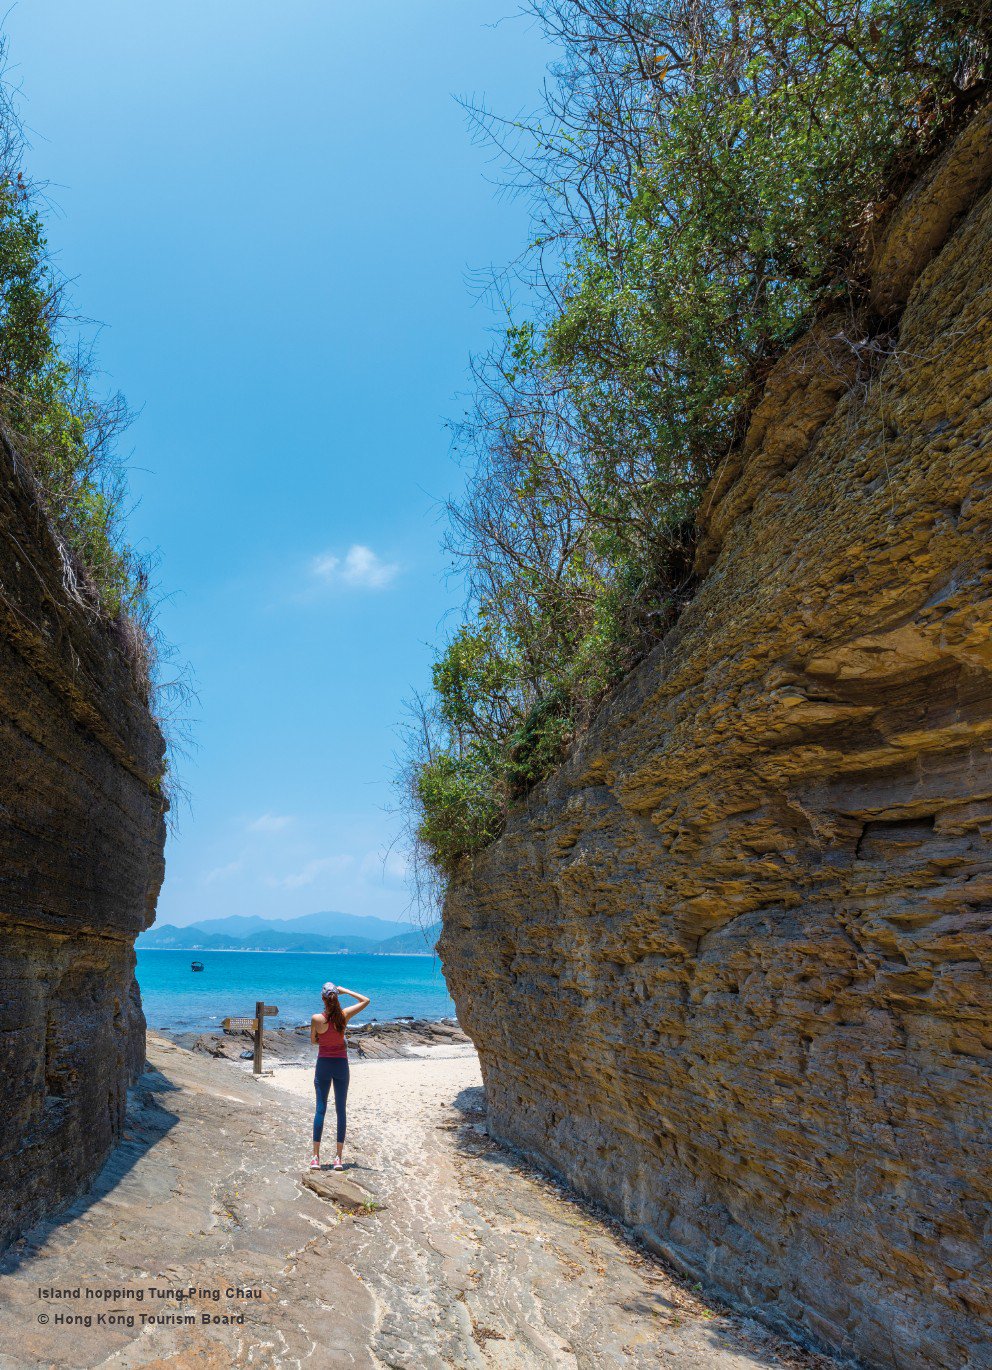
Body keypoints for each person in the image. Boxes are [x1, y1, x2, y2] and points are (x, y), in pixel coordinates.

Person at [310, 981, 369, 1170]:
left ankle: (315, 1158)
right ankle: (338, 1159)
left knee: (320, 1109)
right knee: (340, 1110)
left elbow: (313, 1041)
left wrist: (323, 1038)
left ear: (322, 998)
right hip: (341, 1065)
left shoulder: (317, 1019)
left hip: (323, 1065)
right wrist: (345, 991)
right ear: (336, 997)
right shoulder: (344, 1016)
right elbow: (365, 1000)